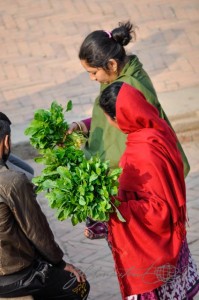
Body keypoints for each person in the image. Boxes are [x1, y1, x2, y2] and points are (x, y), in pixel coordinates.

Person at [68, 21, 190, 239]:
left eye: (93, 72)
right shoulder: (115, 79)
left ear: (112, 65)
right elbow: (107, 118)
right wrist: (82, 126)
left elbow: (135, 140)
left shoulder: (131, 88)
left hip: (138, 188)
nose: (92, 78)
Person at [98, 81, 199, 300]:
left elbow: (159, 208)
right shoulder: (156, 129)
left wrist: (116, 205)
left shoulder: (143, 151)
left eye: (108, 117)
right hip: (173, 240)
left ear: (119, 117)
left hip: (153, 250)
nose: (107, 122)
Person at [0, 112, 90, 300]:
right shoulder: (12, 182)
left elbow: (28, 171)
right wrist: (59, 263)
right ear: (6, 141)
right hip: (14, 275)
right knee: (79, 287)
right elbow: (37, 232)